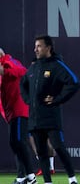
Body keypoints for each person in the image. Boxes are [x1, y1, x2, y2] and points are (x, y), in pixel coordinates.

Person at [20, 35, 80, 184]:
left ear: (48, 48)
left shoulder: (57, 65)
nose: (35, 49)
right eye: (35, 46)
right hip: (35, 118)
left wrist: (57, 99)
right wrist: (28, 100)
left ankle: (72, 179)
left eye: (39, 46)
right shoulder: (34, 67)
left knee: (59, 147)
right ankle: (47, 182)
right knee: (41, 153)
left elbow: (74, 82)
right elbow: (23, 84)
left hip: (51, 117)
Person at [0, 48, 38, 184]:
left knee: (19, 142)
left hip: (19, 109)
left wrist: (5, 72)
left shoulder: (10, 62)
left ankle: (30, 176)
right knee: (16, 143)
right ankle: (24, 176)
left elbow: (22, 72)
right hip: (12, 112)